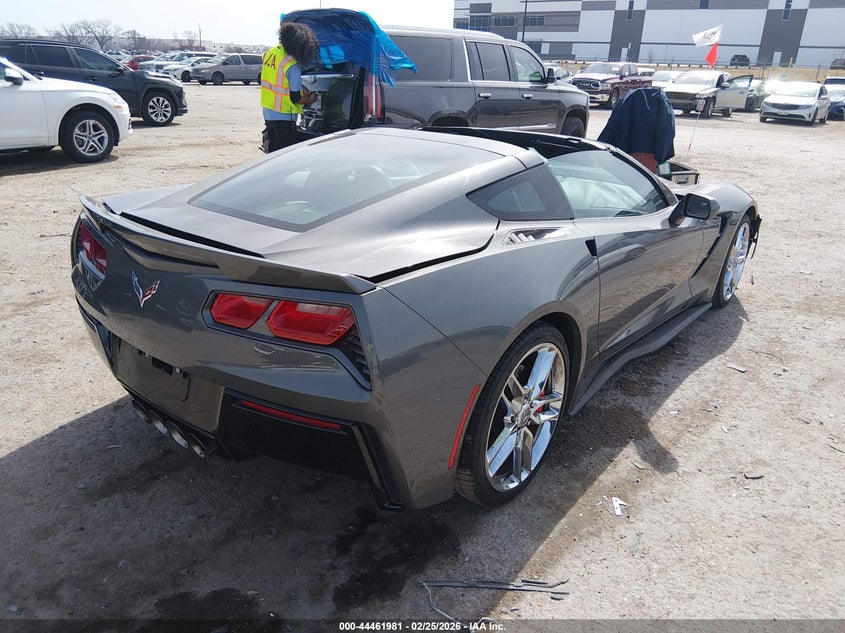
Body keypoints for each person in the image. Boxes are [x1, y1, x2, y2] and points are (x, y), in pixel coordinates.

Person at [260, 21, 319, 152]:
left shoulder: (271, 53)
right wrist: (311, 99)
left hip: (268, 113)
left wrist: (301, 89)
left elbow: (279, 81)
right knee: (283, 156)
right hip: (284, 118)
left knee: (272, 154)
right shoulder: (292, 65)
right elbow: (295, 98)